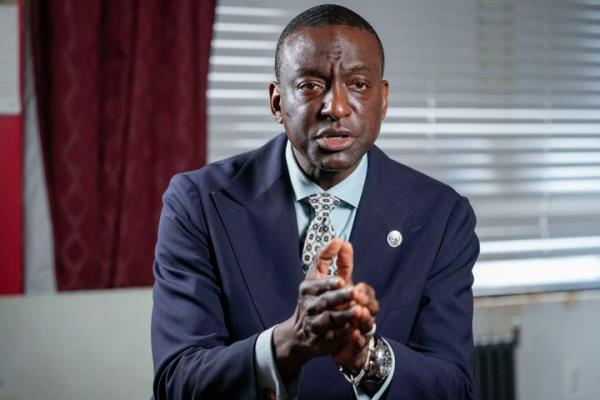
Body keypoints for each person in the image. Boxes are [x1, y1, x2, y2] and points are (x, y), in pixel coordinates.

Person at [151, 4, 479, 399]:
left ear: (383, 99)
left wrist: (366, 357)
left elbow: (455, 387)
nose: (336, 107)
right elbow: (176, 382)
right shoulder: (199, 203)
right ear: (276, 102)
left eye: (358, 84)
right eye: (309, 85)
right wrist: (287, 345)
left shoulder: (442, 215)